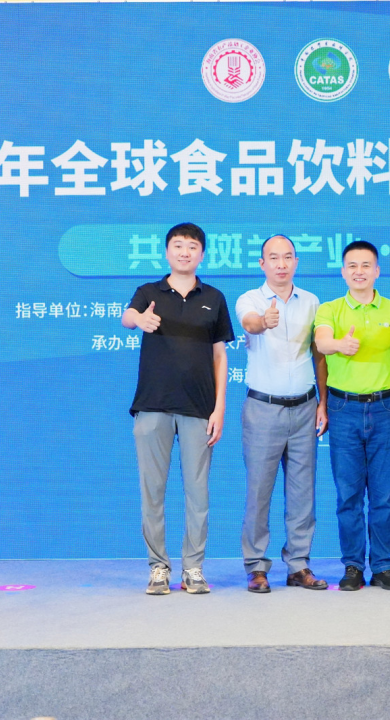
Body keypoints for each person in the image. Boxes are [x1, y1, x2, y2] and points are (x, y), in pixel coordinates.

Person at [122, 222, 234, 595]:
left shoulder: (214, 297)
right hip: (152, 405)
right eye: (178, 245)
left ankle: (193, 568)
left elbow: (220, 355)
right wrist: (139, 319)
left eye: (192, 246)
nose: (185, 252)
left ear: (202, 254)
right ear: (167, 251)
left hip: (199, 408)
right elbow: (127, 317)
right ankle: (158, 567)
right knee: (152, 491)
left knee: (198, 493)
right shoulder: (148, 293)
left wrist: (219, 408)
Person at [314, 240, 390, 591]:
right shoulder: (329, 310)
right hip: (343, 409)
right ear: (343, 272)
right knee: (349, 495)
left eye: (366, 265)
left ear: (377, 271)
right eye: (352, 266)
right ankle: (353, 566)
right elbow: (321, 343)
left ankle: (383, 566)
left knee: (384, 495)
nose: (359, 271)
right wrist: (339, 345)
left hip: (386, 409)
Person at [236, 235, 329, 594]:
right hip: (264, 409)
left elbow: (318, 355)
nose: (281, 264)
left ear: (296, 261)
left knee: (303, 492)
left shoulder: (312, 302)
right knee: (259, 491)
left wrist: (322, 402)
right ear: (262, 263)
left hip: (305, 407)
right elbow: (250, 323)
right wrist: (264, 320)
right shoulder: (250, 299)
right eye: (273, 258)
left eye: (287, 257)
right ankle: (256, 567)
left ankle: (299, 565)